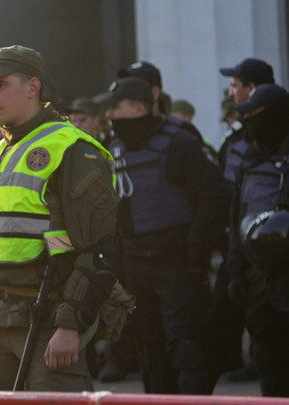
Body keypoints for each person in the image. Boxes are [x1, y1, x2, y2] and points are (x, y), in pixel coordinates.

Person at [0, 45, 122, 392]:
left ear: (32, 87)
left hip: (46, 320)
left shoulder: (72, 148)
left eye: (1, 85)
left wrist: (70, 325)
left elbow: (99, 248)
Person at [98, 77, 230, 394]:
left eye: (118, 107)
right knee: (151, 350)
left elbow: (214, 197)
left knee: (186, 347)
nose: (110, 115)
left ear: (140, 107)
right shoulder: (112, 149)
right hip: (134, 264)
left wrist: (193, 251)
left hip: (176, 263)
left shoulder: (178, 143)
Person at [216, 58, 275, 383]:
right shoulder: (238, 134)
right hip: (239, 241)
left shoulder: (268, 136)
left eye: (235, 85)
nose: (230, 91)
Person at [227, 83, 289, 397]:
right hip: (256, 278)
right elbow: (236, 213)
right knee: (270, 364)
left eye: (255, 113)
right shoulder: (249, 156)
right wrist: (235, 269)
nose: (248, 119)